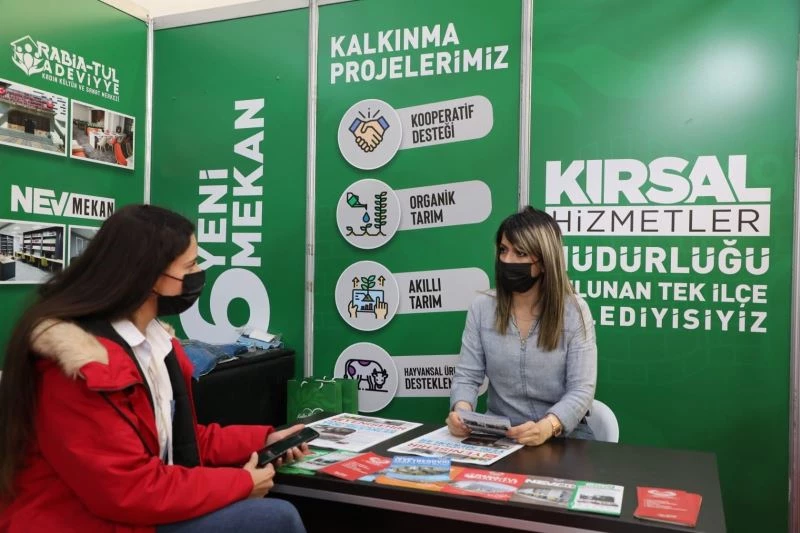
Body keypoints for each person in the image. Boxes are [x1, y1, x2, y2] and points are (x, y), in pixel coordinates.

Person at [0, 205, 308, 533]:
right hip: (86, 521)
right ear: (149, 278)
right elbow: (128, 489)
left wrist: (265, 439)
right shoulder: (77, 369)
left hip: (138, 511)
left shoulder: (155, 343)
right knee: (275, 518)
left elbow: (181, 440)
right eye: (190, 265)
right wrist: (241, 483)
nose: (198, 273)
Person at [447, 206, 597, 445]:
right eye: (503, 250)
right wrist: (461, 412)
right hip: (500, 433)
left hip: (560, 435)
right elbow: (467, 377)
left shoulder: (574, 311)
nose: (507, 260)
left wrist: (547, 427)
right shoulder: (482, 307)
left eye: (521, 253)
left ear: (545, 261)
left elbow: (581, 390)